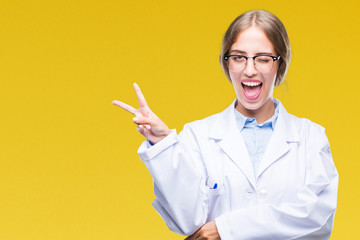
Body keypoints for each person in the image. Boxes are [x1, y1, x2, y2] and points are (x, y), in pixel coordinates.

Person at [113, 10, 338, 240]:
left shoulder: (311, 137)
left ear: (280, 64)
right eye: (239, 57)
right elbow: (188, 221)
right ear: (227, 62)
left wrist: (226, 229)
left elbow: (316, 216)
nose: (249, 70)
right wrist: (162, 144)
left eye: (262, 58)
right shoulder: (197, 136)